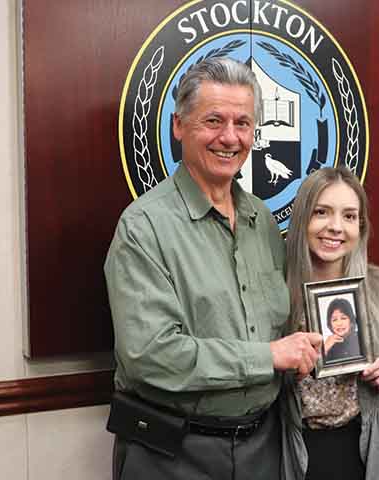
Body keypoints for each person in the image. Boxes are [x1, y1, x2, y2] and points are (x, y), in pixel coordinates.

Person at [104, 57, 323, 480]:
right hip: (172, 455)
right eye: (214, 121)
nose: (230, 137)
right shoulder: (144, 227)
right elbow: (151, 355)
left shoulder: (261, 219)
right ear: (178, 126)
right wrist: (269, 357)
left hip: (264, 445)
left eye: (243, 123)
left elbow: (297, 304)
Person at [281, 167, 379, 480]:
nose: (335, 227)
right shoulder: (276, 292)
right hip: (294, 448)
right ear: (303, 219)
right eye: (321, 212)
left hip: (363, 449)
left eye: (349, 216)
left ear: (361, 226)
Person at [323, 297, 361, 362]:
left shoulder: (361, 338)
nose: (339, 323)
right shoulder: (329, 345)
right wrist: (324, 349)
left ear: (351, 321)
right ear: (330, 324)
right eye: (334, 320)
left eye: (343, 318)